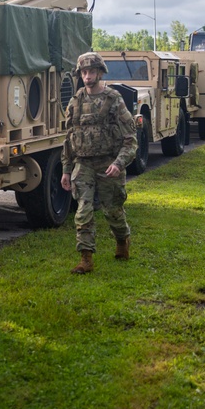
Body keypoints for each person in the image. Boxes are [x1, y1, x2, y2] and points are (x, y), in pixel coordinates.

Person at [61, 52, 138, 274]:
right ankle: (86, 258)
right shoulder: (75, 102)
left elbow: (130, 139)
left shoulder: (114, 100)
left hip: (109, 164)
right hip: (83, 164)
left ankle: (122, 240)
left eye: (91, 71)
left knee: (112, 211)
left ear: (100, 72)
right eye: (84, 72)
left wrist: (119, 163)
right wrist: (66, 170)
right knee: (83, 210)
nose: (87, 76)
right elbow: (69, 139)